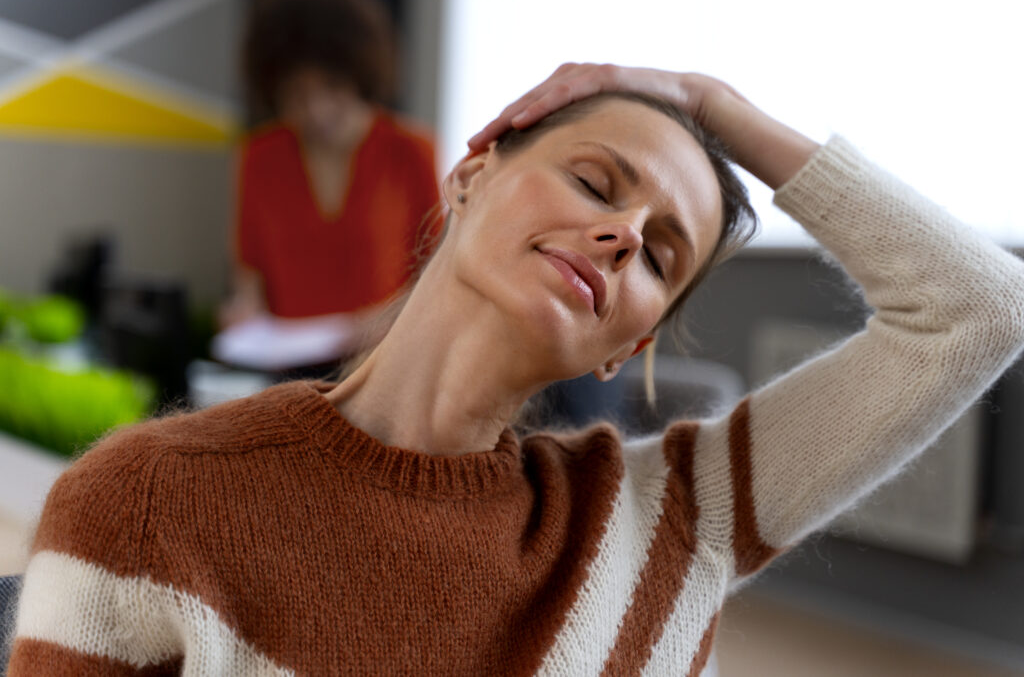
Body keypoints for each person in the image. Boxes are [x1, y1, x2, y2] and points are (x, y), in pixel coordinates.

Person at [8, 65, 1024, 675]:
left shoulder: (675, 516)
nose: (623, 233)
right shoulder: (146, 500)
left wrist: (713, 101)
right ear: (469, 176)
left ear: (630, 343)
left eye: (661, 253)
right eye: (595, 180)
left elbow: (982, 310)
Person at [219, 0, 441, 356]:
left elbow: (437, 275)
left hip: (384, 360)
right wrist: (242, 312)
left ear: (359, 76)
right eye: (297, 94)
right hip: (290, 370)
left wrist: (384, 321)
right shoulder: (258, 157)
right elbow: (249, 276)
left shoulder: (412, 152)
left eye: (332, 88)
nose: (315, 110)